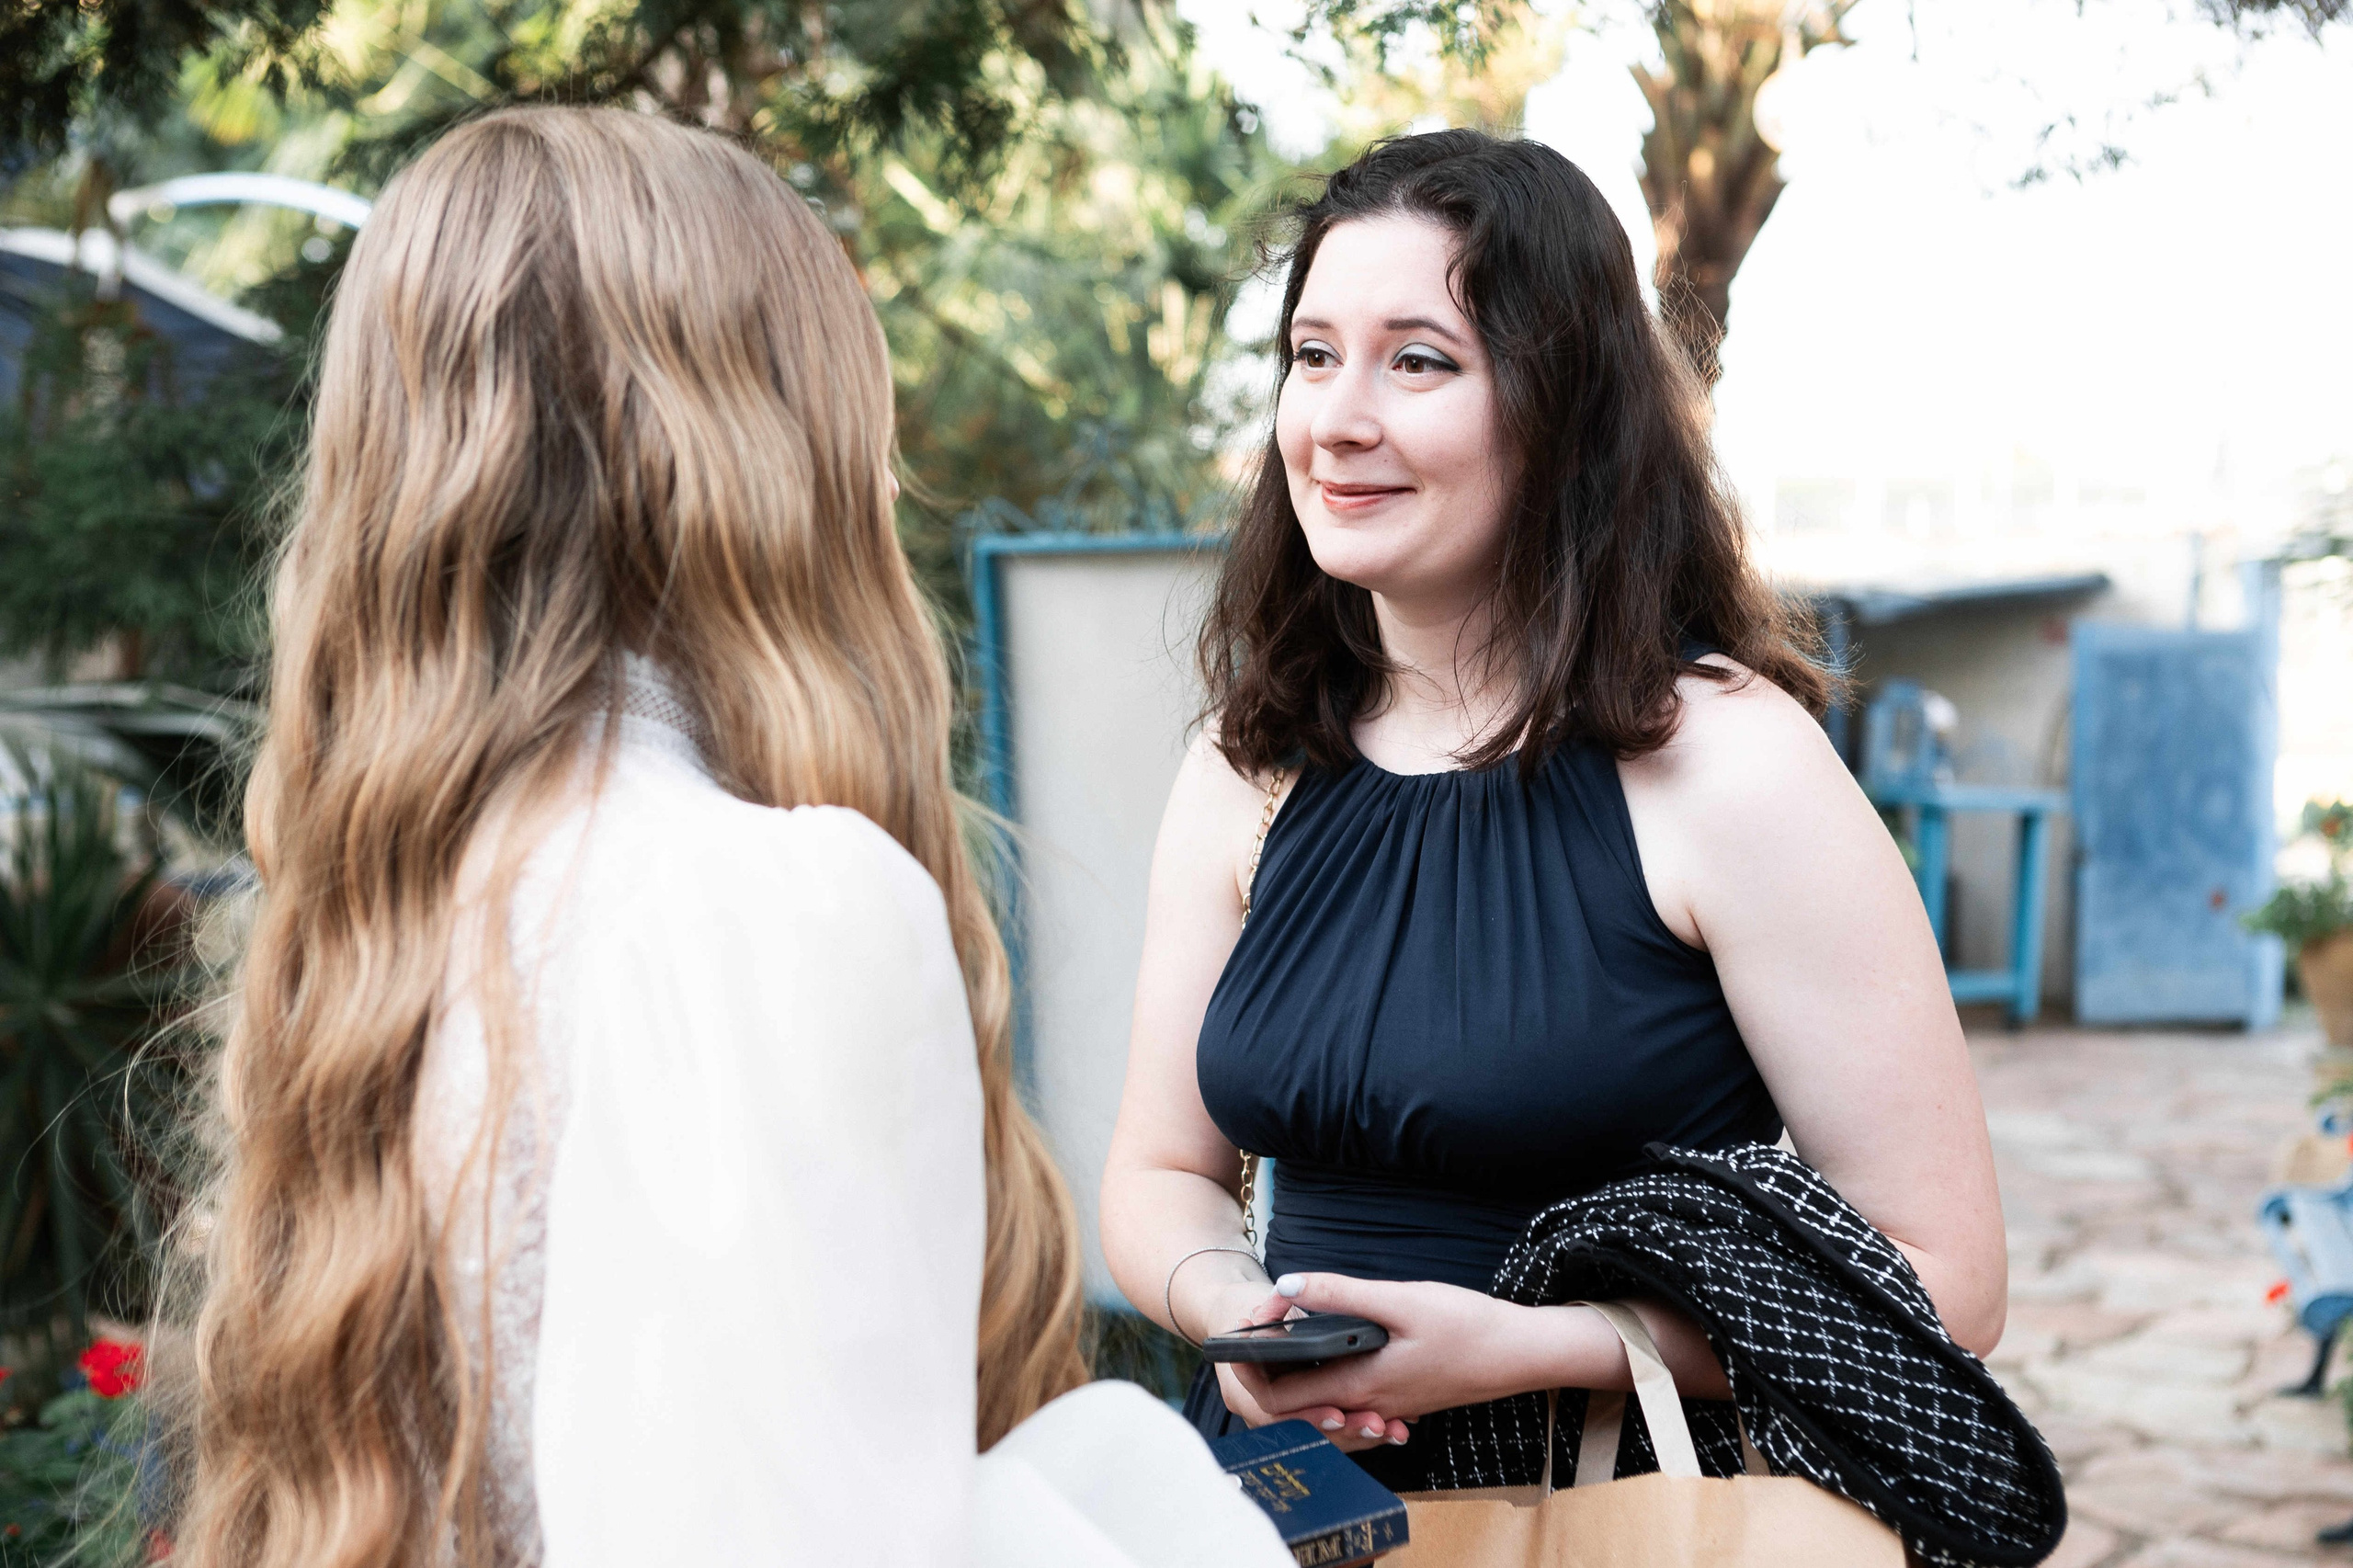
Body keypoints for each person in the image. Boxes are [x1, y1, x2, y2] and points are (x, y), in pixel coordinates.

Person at [169, 108, 1287, 1568]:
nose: (883, 477)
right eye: (854, 412)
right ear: (758, 455)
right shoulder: (764, 905)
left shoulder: (390, 933)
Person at [1098, 129, 2008, 1493]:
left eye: (1418, 361)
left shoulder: (1728, 764)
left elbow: (1948, 1281)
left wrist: (1539, 1345)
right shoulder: (1251, 763)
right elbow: (1161, 1170)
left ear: (1562, 405)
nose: (1336, 418)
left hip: (1606, 1505)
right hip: (1289, 1495)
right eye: (1312, 355)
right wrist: (1236, 1305)